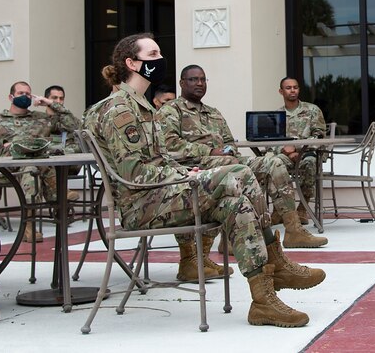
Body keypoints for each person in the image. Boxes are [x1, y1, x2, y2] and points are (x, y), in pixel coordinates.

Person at [88, 33, 325, 327]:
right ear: (131, 63)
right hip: (142, 206)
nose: (160, 59)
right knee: (239, 173)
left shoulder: (142, 106)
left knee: (236, 204)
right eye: (153, 55)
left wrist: (186, 173)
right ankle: (277, 263)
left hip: (161, 195)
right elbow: (135, 174)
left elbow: (161, 160)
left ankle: (263, 301)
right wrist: (187, 174)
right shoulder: (119, 109)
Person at [158, 65, 327, 276]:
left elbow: (229, 142)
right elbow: (169, 146)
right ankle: (223, 245)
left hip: (228, 162)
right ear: (182, 83)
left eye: (202, 79)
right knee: (236, 172)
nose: (199, 83)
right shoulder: (171, 111)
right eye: (193, 79)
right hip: (195, 167)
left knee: (273, 162)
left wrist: (228, 150)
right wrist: (211, 151)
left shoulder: (213, 113)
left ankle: (293, 230)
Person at [0, 81, 81, 241]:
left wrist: (50, 103)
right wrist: (8, 145)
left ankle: (29, 226)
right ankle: (58, 194)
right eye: (21, 93)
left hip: (34, 166)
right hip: (6, 168)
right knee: (33, 167)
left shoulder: (41, 118)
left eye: (28, 94)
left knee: (32, 168)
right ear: (11, 97)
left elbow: (73, 125)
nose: (25, 96)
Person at [275, 76, 326, 225]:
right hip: (286, 155)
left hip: (309, 153)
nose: (292, 90)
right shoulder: (277, 115)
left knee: (310, 162)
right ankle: (280, 210)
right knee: (272, 163)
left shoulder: (312, 110)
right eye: (288, 88)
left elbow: (320, 136)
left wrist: (299, 151)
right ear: (281, 91)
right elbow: (271, 141)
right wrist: (286, 151)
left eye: (295, 87)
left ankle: (303, 208)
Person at [44, 84, 82, 154]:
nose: (58, 101)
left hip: (70, 158)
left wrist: (63, 152)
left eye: (61, 98)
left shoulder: (73, 120)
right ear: (46, 99)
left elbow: (82, 145)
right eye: (54, 98)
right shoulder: (40, 121)